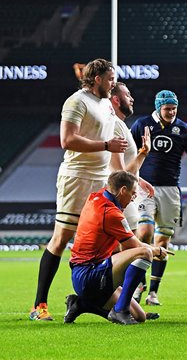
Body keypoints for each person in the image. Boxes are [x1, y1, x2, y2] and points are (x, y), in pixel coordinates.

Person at [30, 58, 129, 321]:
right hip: (77, 178)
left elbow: (114, 147)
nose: (113, 83)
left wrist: (123, 177)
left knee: (113, 246)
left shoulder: (107, 104)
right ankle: (39, 305)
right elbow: (67, 139)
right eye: (110, 78)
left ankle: (120, 307)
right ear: (97, 78)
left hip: (101, 180)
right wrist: (106, 146)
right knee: (62, 239)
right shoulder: (76, 101)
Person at [64, 171, 169, 325]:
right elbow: (136, 247)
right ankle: (120, 311)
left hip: (88, 272)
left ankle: (80, 304)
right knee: (145, 252)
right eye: (133, 193)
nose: (134, 198)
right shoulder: (111, 213)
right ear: (123, 190)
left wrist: (138, 179)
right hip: (90, 275)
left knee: (140, 317)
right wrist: (157, 250)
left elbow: (120, 175)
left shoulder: (97, 196)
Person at [130, 90, 187, 306]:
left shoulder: (184, 129)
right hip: (144, 187)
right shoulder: (141, 125)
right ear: (158, 107)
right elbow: (128, 153)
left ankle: (153, 291)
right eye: (167, 109)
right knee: (144, 232)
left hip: (171, 190)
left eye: (174, 108)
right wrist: (133, 178)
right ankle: (138, 283)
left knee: (163, 241)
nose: (171, 112)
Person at [108, 82, 154, 231]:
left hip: (120, 193)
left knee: (127, 247)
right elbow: (118, 173)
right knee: (130, 246)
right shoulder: (115, 124)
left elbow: (120, 166)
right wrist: (143, 154)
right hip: (118, 194)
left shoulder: (118, 124)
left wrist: (138, 180)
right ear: (116, 99)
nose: (132, 99)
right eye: (127, 95)